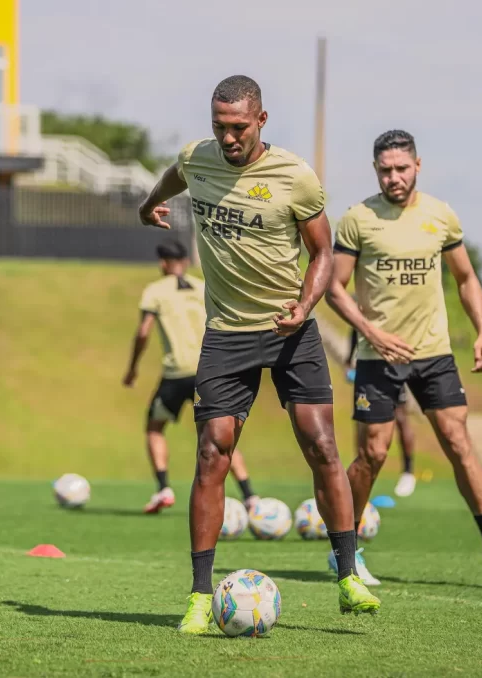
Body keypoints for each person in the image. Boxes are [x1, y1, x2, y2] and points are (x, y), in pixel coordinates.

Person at [138, 75, 380, 634]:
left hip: (290, 328)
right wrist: (151, 204)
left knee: (321, 445)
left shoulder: (295, 176)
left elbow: (322, 253)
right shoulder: (198, 158)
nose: (228, 138)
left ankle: (348, 576)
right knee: (211, 453)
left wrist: (305, 304)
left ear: (261, 120)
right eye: (219, 126)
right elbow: (176, 174)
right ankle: (200, 597)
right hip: (227, 333)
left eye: (239, 127)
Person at [327, 129, 482, 590]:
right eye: (385, 170)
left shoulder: (441, 215)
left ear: (418, 166)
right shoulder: (357, 219)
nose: (394, 177)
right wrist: (371, 332)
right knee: (373, 453)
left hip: (434, 353)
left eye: (402, 168)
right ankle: (344, 552)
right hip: (377, 355)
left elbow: (466, 278)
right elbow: (334, 287)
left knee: (458, 443)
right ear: (375, 170)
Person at [123, 239, 260, 514]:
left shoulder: (155, 291)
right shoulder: (203, 287)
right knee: (220, 434)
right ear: (185, 261)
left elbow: (143, 332)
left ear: (163, 263)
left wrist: (133, 368)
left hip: (176, 374)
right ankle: (250, 497)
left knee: (154, 427)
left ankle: (163, 488)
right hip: (209, 370)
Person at [347, 326, 417, 498]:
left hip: (392, 364)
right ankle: (361, 474)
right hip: (366, 365)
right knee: (362, 420)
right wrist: (349, 360)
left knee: (400, 417)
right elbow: (355, 327)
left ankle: (408, 472)